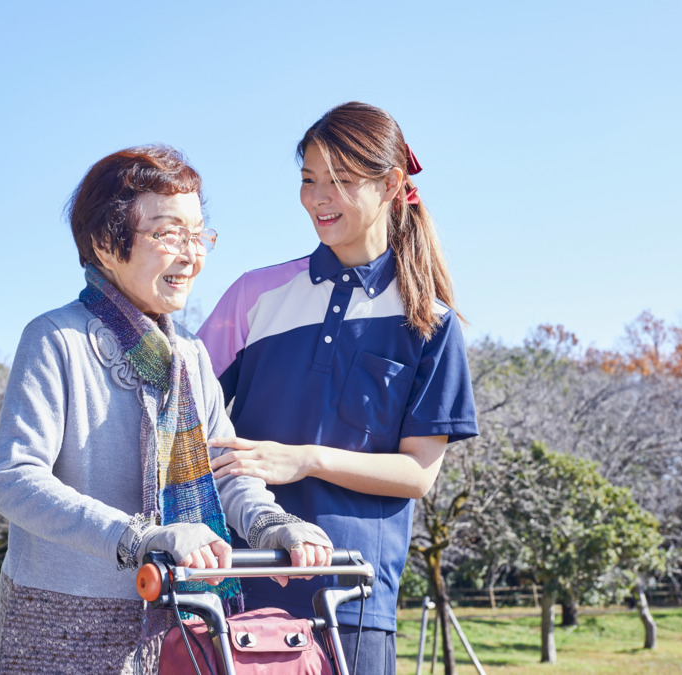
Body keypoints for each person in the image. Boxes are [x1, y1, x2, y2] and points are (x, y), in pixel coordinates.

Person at [0, 145, 332, 674]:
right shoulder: (56, 339)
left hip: (178, 624)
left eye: (198, 236)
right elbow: (15, 479)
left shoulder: (189, 357)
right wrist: (142, 538)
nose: (191, 254)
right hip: (58, 629)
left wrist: (272, 525)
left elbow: (226, 469)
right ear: (106, 243)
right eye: (169, 234)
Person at [198, 102, 479, 675]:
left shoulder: (430, 321)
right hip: (242, 584)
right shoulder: (255, 295)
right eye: (309, 180)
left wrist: (304, 460)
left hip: (353, 596)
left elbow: (418, 475)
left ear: (392, 184)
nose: (319, 197)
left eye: (342, 181)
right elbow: (178, 410)